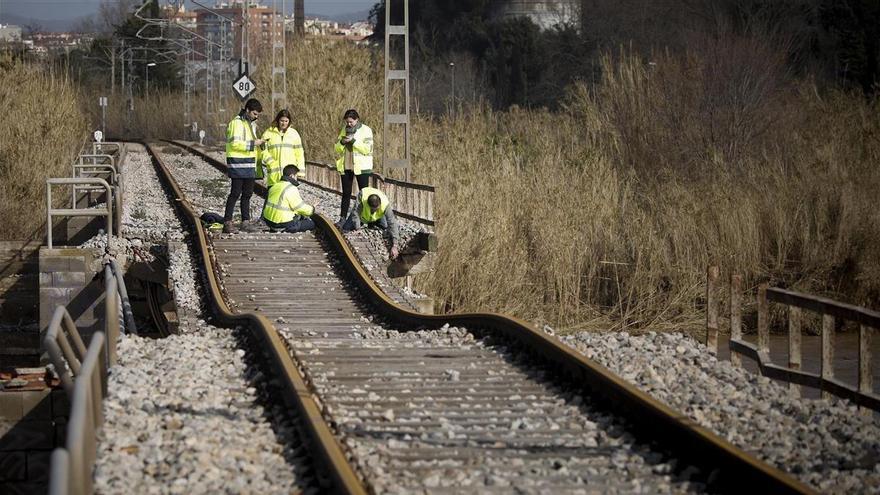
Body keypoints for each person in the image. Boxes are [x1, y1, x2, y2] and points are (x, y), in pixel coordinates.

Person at [224, 98, 265, 233]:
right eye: (254, 113)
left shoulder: (249, 124)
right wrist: (254, 143)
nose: (256, 116)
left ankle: (245, 222)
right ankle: (228, 222)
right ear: (247, 110)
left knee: (247, 193)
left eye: (257, 114)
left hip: (248, 164)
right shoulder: (236, 123)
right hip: (237, 164)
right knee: (235, 193)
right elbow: (235, 144)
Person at [334, 109, 373, 222]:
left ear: (357, 119)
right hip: (346, 165)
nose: (349, 124)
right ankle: (342, 218)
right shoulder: (343, 130)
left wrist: (353, 141)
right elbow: (336, 149)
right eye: (347, 122)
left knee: (363, 194)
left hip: (362, 167)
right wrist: (342, 143)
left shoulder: (366, 130)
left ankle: (366, 218)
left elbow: (368, 149)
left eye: (351, 122)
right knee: (346, 193)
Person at [342, 186, 400, 259]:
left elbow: (392, 222)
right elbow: (355, 213)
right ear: (368, 205)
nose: (375, 211)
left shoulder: (385, 204)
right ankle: (369, 222)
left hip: (377, 218)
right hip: (363, 217)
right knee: (346, 228)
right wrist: (358, 228)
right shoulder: (362, 197)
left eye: (377, 209)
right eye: (373, 210)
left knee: (386, 226)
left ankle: (373, 222)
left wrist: (395, 245)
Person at [262, 165, 319, 233]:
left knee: (299, 215)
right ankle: (284, 229)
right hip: (283, 224)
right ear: (292, 176)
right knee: (311, 224)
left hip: (269, 222)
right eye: (296, 176)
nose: (297, 179)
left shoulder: (274, 186)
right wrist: (312, 208)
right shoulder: (291, 188)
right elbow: (299, 207)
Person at [260, 109, 305, 187]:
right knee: (273, 197)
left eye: (286, 121)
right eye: (282, 121)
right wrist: (270, 162)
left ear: (289, 121)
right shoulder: (268, 133)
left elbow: (299, 153)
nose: (284, 123)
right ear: (278, 120)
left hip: (290, 174)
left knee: (288, 197)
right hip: (274, 174)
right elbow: (262, 150)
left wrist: (300, 171)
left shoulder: (294, 134)